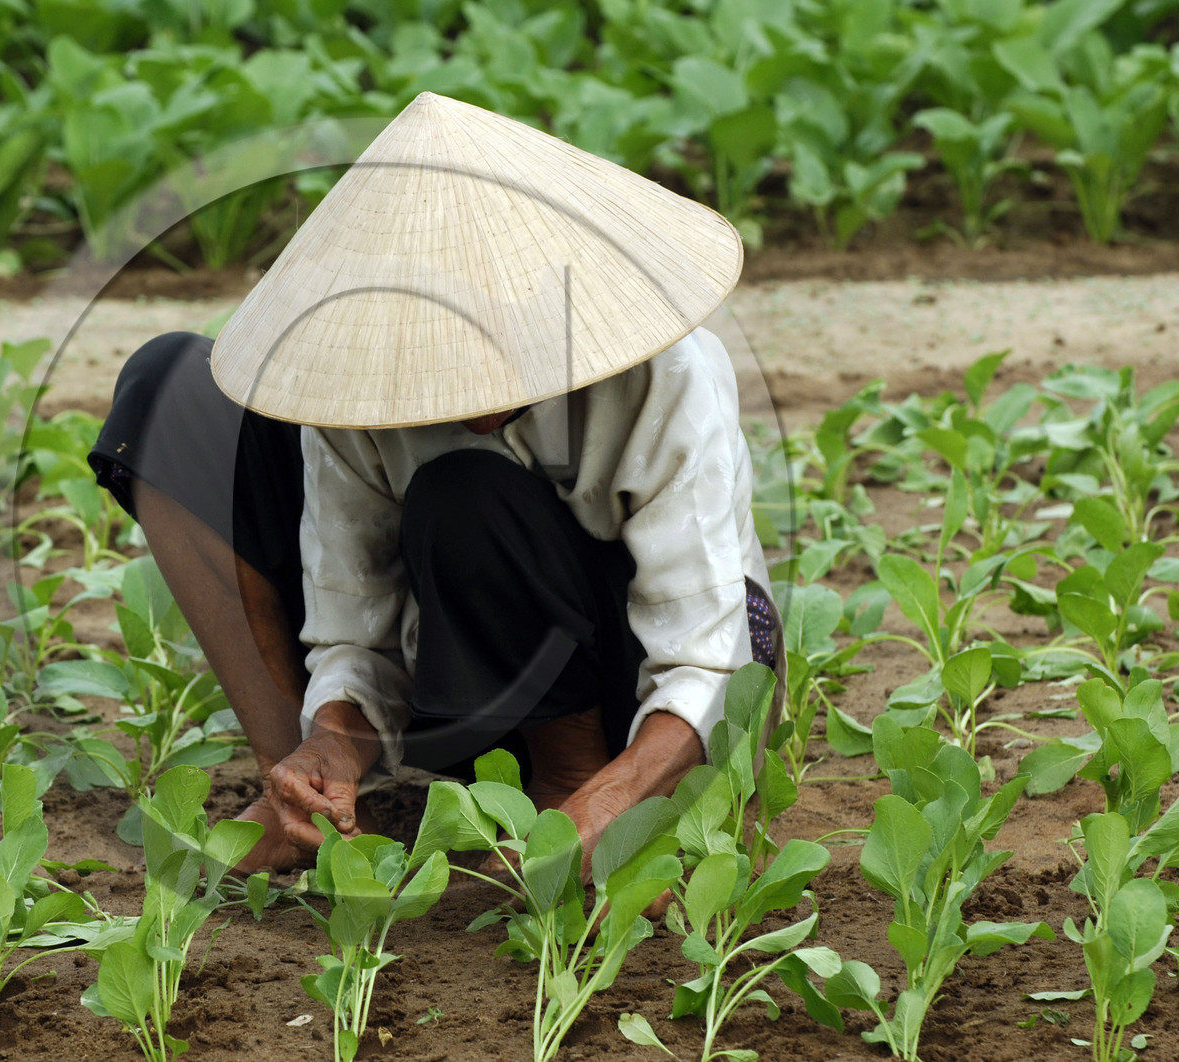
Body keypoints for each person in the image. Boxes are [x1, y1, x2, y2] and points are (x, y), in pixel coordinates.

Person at [86, 91, 784, 875]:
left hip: (644, 703)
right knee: (167, 390)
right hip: (461, 670)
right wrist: (333, 741)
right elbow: (352, 616)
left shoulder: (669, 373)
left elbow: (711, 648)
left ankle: (574, 785)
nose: (479, 398)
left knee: (467, 493)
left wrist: (617, 800)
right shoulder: (356, 383)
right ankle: (306, 807)